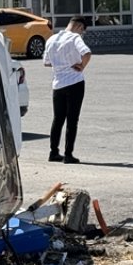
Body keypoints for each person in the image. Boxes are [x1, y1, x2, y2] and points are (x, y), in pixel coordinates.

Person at [43, 16, 92, 164]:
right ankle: (68, 154)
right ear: (79, 27)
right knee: (72, 119)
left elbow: (46, 62)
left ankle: (53, 152)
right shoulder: (75, 38)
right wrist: (81, 66)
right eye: (82, 30)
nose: (81, 33)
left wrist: (60, 65)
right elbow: (87, 53)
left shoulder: (51, 40)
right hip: (74, 82)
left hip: (57, 84)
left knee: (58, 119)